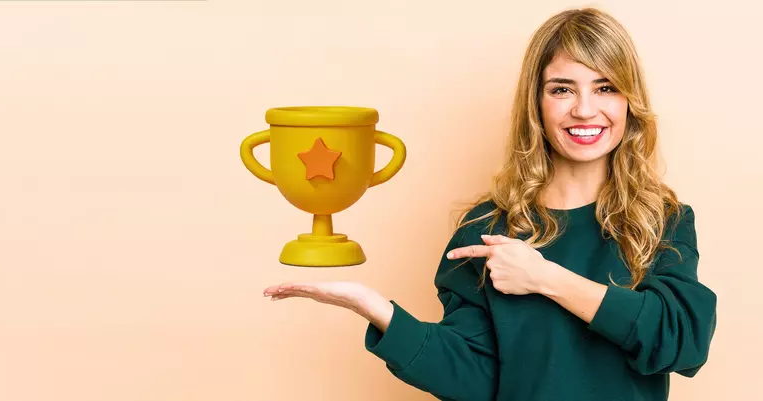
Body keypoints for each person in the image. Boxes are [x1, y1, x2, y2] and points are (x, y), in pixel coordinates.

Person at [263, 7, 717, 401]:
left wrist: (544, 278)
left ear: (629, 103)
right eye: (561, 89)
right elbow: (479, 379)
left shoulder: (662, 222)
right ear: (536, 103)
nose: (583, 109)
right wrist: (378, 311)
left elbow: (680, 342)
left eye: (604, 88)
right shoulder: (485, 228)